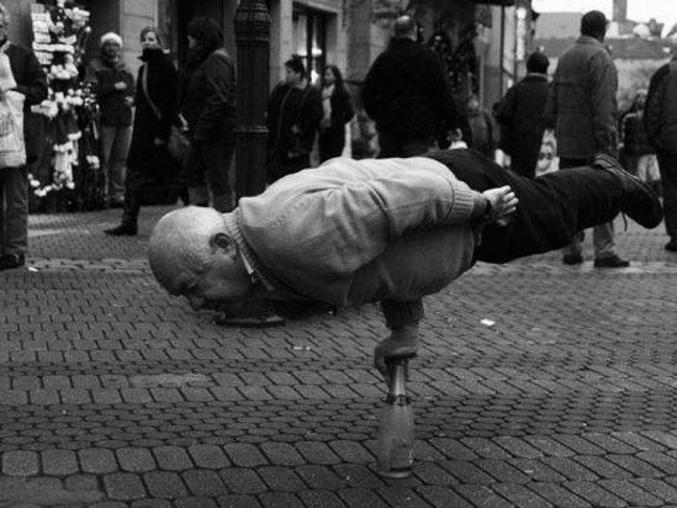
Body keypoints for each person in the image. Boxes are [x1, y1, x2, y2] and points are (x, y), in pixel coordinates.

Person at [148, 149, 662, 379]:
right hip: (454, 210)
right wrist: (403, 330)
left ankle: (611, 180)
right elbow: (381, 263)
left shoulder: (290, 236)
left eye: (192, 285)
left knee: (548, 214)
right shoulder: (267, 245)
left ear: (221, 245)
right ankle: (606, 182)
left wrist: (478, 207)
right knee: (543, 214)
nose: (195, 301)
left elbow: (400, 201)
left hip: (455, 194)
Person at [545, 10, 628, 268]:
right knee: (603, 194)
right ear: (602, 30)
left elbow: (551, 106)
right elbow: (603, 107)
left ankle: (571, 248)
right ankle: (604, 251)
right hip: (594, 143)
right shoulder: (601, 58)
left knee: (570, 196)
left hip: (568, 142)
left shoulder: (566, 57)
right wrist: (607, 143)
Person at [105, 27, 178, 236]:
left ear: (159, 42)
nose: (147, 42)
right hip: (142, 134)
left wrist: (162, 135)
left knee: (171, 177)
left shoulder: (166, 67)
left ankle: (185, 221)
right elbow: (145, 97)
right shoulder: (143, 68)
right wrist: (134, 101)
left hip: (158, 133)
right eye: (144, 39)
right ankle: (129, 221)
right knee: (134, 177)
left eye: (151, 39)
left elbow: (170, 103)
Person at [361, 15, 467, 158]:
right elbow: (443, 93)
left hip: (389, 129)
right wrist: (452, 124)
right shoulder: (428, 57)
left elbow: (367, 93)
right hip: (419, 128)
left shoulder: (384, 59)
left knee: (390, 172)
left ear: (395, 33)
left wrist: (378, 115)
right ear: (414, 31)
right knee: (415, 171)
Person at [0, 3, 48, 271]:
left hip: (15, 138)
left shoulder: (22, 55)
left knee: (16, 197)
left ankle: (15, 251)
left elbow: (42, 89)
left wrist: (15, 92)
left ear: (5, 25)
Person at [178, 16, 237, 212]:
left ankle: (223, 219)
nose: (189, 42)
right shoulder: (209, 60)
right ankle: (201, 214)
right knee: (194, 170)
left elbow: (218, 99)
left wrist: (201, 132)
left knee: (217, 176)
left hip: (215, 132)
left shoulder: (217, 60)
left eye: (192, 38)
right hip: (207, 129)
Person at [85, 32, 135, 208]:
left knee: (120, 159)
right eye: (108, 44)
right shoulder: (95, 66)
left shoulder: (125, 67)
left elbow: (133, 89)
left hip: (124, 119)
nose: (111, 48)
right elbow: (91, 91)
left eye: (115, 45)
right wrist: (113, 87)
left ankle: (117, 194)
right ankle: (102, 193)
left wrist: (132, 99)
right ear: (102, 47)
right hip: (105, 119)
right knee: (104, 158)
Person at [266, 56, 322, 182]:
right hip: (278, 144)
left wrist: (300, 128)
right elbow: (272, 107)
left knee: (294, 178)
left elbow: (315, 116)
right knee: (276, 178)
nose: (286, 75)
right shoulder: (282, 88)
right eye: (286, 71)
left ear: (299, 74)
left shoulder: (309, 93)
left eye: (289, 72)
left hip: (296, 146)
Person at [496, 51, 550, 178]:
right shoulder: (552, 92)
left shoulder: (516, 90)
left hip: (519, 152)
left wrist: (506, 148)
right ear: (546, 70)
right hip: (545, 151)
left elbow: (503, 117)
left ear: (527, 67)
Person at [645, 50, 677, 252]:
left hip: (669, 143)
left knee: (672, 189)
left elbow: (652, 110)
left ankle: (676, 235)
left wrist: (654, 138)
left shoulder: (664, 73)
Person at [621, 90, 659, 186]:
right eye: (639, 97)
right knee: (642, 177)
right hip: (636, 152)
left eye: (643, 97)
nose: (641, 100)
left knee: (648, 177)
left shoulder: (650, 115)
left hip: (646, 151)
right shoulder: (629, 117)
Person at [318, 65, 354, 162]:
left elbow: (349, 112)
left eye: (329, 74)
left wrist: (338, 122)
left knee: (334, 158)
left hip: (336, 131)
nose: (326, 77)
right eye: (325, 74)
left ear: (335, 76)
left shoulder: (340, 92)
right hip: (324, 130)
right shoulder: (322, 92)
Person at [465, 94, 496, 159]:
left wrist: (493, 143)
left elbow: (492, 128)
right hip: (471, 147)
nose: (473, 104)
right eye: (470, 102)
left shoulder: (484, 114)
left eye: (474, 101)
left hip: (485, 147)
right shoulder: (466, 116)